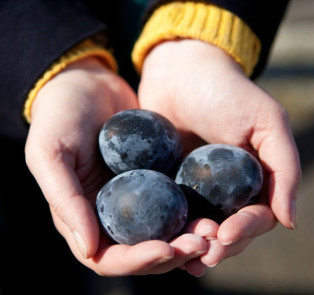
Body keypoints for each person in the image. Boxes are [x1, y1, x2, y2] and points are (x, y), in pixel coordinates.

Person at [0, 0, 301, 294]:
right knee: (35, 242)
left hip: (147, 62)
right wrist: (54, 71)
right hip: (18, 104)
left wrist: (198, 49)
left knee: (171, 261)